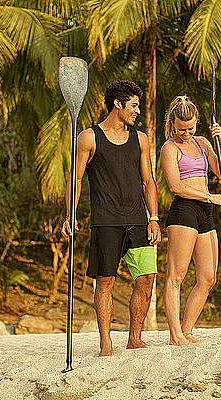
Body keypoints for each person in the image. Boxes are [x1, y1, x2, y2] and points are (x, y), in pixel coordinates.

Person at [61, 80, 161, 356]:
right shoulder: (89, 137)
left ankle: (135, 337)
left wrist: (154, 217)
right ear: (117, 104)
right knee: (105, 282)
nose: (137, 111)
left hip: (138, 221)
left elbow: (148, 181)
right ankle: (106, 342)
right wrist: (70, 214)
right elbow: (76, 178)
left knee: (147, 278)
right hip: (106, 221)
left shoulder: (140, 139)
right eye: (134, 105)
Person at [160, 95, 221, 345]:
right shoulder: (169, 148)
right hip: (184, 211)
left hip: (205, 211)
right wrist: (210, 196)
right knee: (176, 277)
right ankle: (175, 334)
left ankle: (188, 330)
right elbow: (176, 186)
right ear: (172, 123)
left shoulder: (202, 143)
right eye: (181, 129)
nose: (186, 134)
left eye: (190, 128)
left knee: (208, 277)